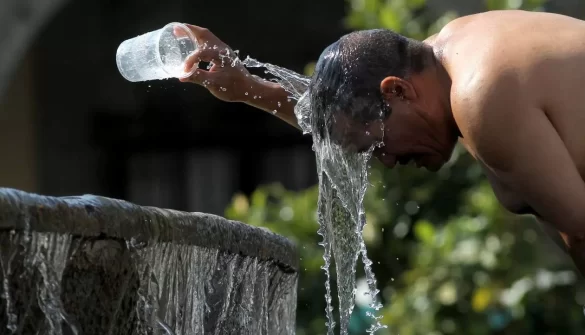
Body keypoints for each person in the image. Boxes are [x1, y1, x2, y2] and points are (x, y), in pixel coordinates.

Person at [178, 10, 585, 277]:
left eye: (378, 145)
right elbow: (348, 113)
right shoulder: (449, 52)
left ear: (398, 92)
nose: (387, 161)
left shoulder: (481, 98)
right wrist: (247, 86)